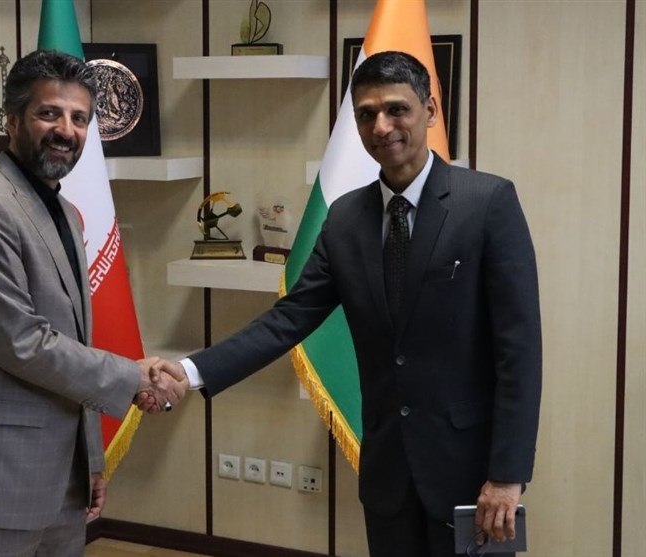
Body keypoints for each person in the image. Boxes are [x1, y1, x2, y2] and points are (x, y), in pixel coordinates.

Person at [147, 51, 542, 557]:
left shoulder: (487, 203)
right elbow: (288, 319)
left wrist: (507, 475)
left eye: (397, 109)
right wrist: (189, 372)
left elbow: (519, 353)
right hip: (388, 475)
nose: (382, 126)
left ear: (429, 110)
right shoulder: (345, 218)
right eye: (366, 114)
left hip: (472, 476)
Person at [0, 50, 188, 557]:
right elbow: (21, 342)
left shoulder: (65, 211)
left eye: (79, 118)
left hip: (65, 482)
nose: (66, 131)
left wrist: (91, 458)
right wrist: (134, 376)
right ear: (13, 120)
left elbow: (72, 344)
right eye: (49, 113)